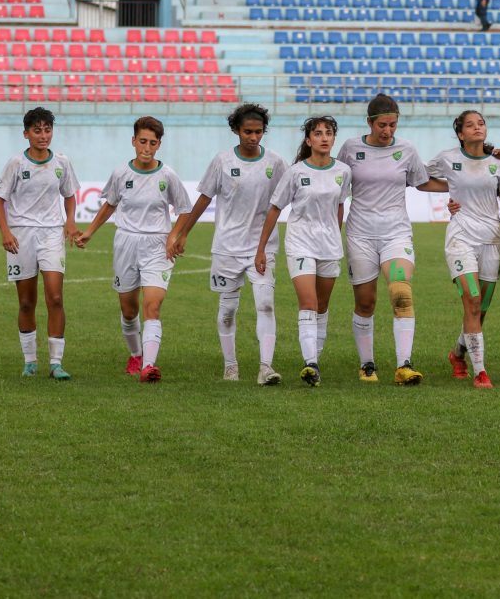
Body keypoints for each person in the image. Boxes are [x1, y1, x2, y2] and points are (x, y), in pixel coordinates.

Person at [170, 104, 287, 386]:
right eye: (248, 131)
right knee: (228, 309)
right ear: (236, 130)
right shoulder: (222, 161)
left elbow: (283, 201)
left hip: (262, 246)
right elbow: (205, 198)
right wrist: (183, 232)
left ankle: (265, 367)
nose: (253, 137)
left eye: (258, 132)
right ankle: (231, 366)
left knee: (266, 304)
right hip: (227, 247)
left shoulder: (275, 163)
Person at [76, 117, 193, 384]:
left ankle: (149, 366)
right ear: (133, 141)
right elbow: (110, 205)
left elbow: (184, 209)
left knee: (153, 305)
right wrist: (90, 232)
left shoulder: (168, 176)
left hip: (157, 246)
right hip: (126, 243)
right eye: (143, 141)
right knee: (129, 310)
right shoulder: (121, 173)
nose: (147, 147)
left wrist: (174, 235)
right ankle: (136, 354)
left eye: (153, 143)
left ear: (159, 145)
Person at [336, 94, 431, 386]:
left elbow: (423, 181)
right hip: (360, 235)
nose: (388, 131)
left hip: (396, 235)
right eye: (382, 125)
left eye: (392, 125)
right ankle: (367, 365)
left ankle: (404, 365)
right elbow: (334, 183)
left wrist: (462, 190)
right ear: (369, 122)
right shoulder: (351, 148)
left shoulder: (407, 150)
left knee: (401, 292)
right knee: (366, 303)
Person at [255, 116, 351, 389]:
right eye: (318, 133)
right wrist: (261, 248)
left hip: (329, 245)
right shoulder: (296, 172)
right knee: (308, 303)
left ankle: (314, 362)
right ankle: (310, 362)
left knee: (322, 306)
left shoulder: (343, 171)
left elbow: (339, 205)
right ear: (308, 140)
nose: (324, 137)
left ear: (333, 139)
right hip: (300, 243)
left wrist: (335, 233)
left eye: (328, 133)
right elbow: (275, 208)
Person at [424, 112, 500, 389]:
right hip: (461, 236)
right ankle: (481, 372)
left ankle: (458, 353)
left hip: (491, 239)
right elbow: (418, 179)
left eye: (481, 123)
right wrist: (450, 191)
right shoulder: (447, 159)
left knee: (481, 309)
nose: (477, 128)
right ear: (461, 134)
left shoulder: (499, 163)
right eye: (471, 125)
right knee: (472, 301)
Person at [0, 108, 80, 380]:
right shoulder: (17, 164)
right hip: (22, 235)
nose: (43, 135)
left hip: (51, 234)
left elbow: (70, 195)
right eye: (37, 130)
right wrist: (6, 232)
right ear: (26, 133)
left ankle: (56, 363)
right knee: (27, 302)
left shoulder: (62, 162)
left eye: (47, 129)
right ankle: (30, 360)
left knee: (55, 297)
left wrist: (71, 221)